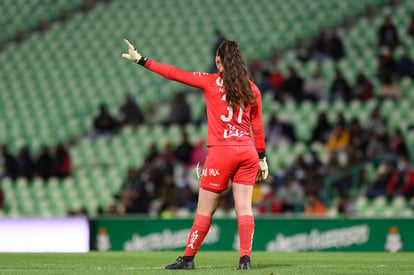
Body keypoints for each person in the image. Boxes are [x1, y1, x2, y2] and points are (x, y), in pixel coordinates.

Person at [122, 38, 268, 270]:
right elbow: (257, 126)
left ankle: (188, 259)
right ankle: (245, 260)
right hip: (248, 152)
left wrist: (142, 60)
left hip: (222, 153)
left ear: (219, 61)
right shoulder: (253, 90)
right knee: (244, 208)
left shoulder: (210, 82)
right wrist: (262, 158)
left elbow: (174, 73)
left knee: (205, 210)